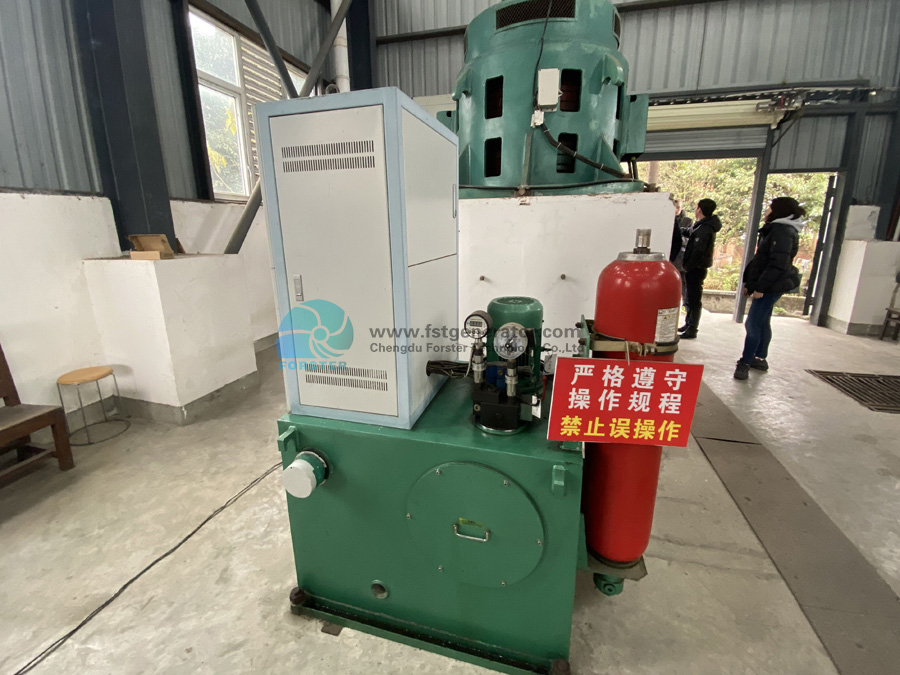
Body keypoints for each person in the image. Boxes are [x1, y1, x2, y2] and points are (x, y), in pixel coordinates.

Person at [734, 197, 804, 380]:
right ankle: (759, 357)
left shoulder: (783, 232)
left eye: (770, 208)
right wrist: (750, 284)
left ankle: (746, 361)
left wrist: (761, 287)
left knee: (752, 323)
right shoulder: (776, 229)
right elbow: (760, 260)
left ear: (779, 211)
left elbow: (777, 264)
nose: (767, 211)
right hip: (768, 283)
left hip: (771, 285)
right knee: (762, 320)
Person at [679, 198, 722, 339]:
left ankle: (692, 328)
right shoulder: (702, 225)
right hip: (695, 268)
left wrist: (688, 266)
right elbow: (690, 232)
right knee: (690, 297)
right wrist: (677, 229)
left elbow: (697, 252)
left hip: (696, 269)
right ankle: (688, 323)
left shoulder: (705, 229)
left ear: (700, 210)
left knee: (694, 299)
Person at [669, 199, 693, 306]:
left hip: (682, 257)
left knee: (684, 283)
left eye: (678, 207)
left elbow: (687, 238)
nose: (676, 210)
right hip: (672, 257)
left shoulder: (687, 221)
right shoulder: (668, 218)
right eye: (675, 207)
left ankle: (685, 304)